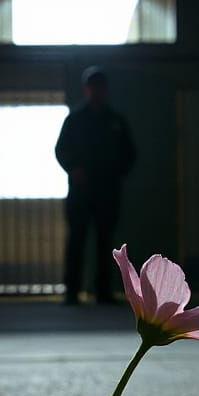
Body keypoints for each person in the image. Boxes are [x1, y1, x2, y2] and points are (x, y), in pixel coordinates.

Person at [55, 66, 136, 304]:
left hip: (107, 190)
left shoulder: (116, 121)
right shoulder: (75, 120)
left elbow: (130, 153)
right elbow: (61, 150)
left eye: (99, 86)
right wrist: (73, 168)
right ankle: (72, 292)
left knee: (105, 242)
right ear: (86, 89)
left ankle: (103, 291)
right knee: (77, 240)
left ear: (104, 89)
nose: (96, 91)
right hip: (81, 190)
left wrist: (115, 174)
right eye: (92, 86)